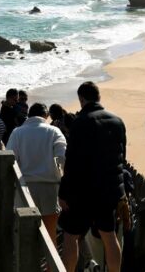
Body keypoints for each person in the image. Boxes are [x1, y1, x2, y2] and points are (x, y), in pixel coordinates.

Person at [59, 82, 127, 272]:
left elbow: (71, 163)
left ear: (81, 99)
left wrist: (63, 193)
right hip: (109, 190)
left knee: (71, 236)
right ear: (98, 97)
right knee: (109, 236)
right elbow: (122, 158)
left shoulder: (80, 122)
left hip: (83, 191)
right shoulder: (117, 121)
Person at [6, 103, 67, 247]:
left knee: (25, 234)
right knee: (50, 235)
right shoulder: (54, 131)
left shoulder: (17, 132)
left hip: (24, 188)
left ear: (29, 115)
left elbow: (9, 159)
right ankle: (49, 261)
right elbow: (63, 157)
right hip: (49, 188)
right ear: (46, 115)